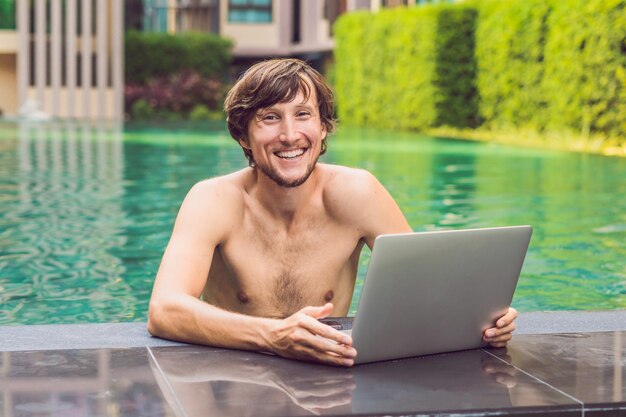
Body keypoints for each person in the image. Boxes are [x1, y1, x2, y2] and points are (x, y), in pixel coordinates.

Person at [147, 58, 518, 367]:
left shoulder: (356, 193)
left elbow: (428, 290)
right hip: (239, 377)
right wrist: (273, 337)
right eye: (270, 118)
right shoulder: (213, 200)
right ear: (243, 135)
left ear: (323, 128)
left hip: (332, 377)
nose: (290, 135)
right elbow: (165, 309)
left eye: (303, 114)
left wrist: (485, 322)